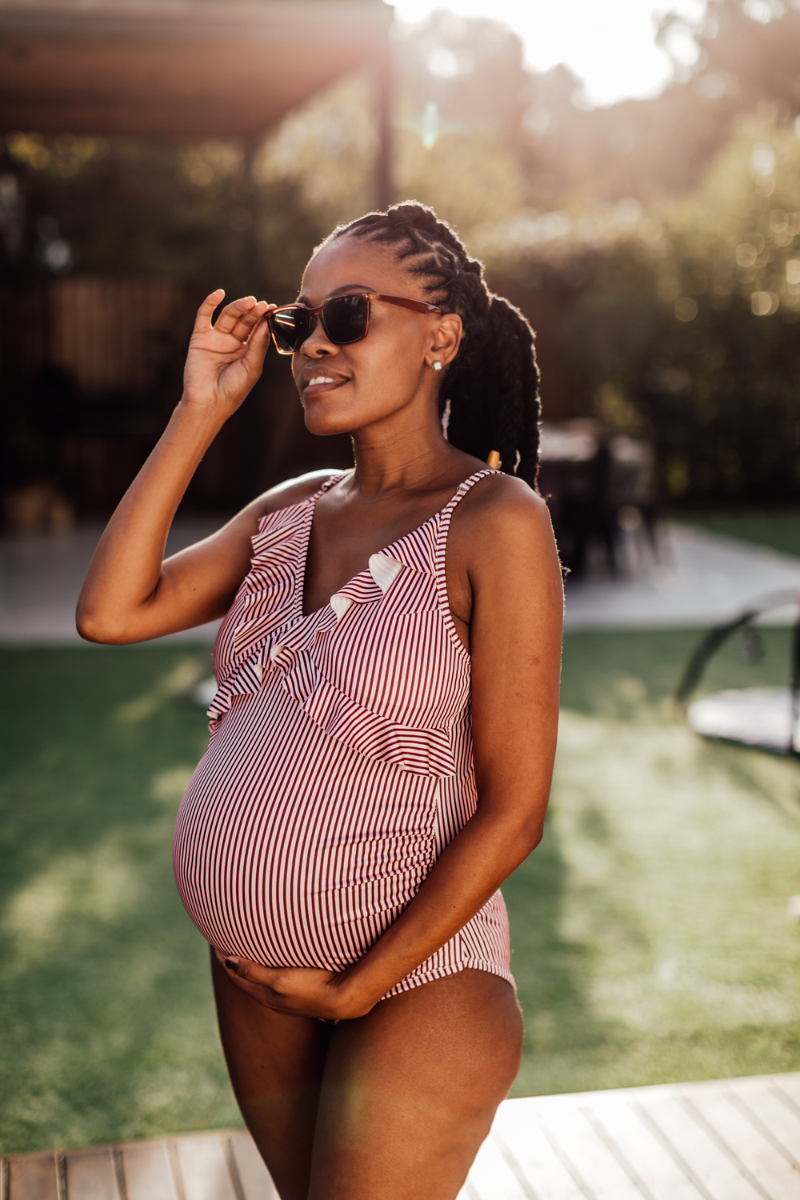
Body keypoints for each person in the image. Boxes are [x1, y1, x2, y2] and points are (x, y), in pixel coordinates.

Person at [77, 201, 563, 1200]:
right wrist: (199, 410)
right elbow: (112, 610)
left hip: (419, 980)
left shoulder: (492, 521)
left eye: (346, 314)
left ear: (439, 335)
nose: (312, 346)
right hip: (259, 979)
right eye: (299, 324)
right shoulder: (292, 509)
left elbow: (516, 812)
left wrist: (357, 985)